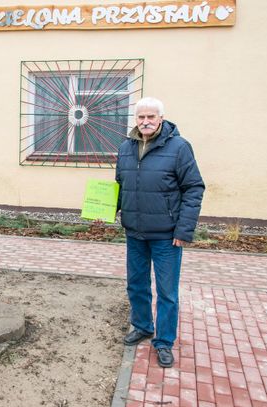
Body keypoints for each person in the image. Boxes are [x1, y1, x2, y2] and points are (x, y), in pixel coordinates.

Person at [115, 96, 205, 368]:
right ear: (136, 120)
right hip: (135, 232)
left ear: (161, 119)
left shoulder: (179, 147)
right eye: (141, 117)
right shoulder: (125, 147)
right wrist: (107, 211)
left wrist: (184, 229)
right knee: (137, 284)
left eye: (150, 117)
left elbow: (194, 188)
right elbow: (122, 184)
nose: (145, 122)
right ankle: (142, 325)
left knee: (167, 292)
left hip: (167, 236)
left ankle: (164, 341)